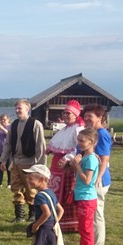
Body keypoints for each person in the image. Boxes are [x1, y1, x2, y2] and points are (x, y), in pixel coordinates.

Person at [0, 98, 46, 223]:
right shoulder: (13, 125)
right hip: (15, 162)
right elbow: (8, 144)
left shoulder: (36, 124)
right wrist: (3, 160)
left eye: (19, 108)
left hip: (30, 162)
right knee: (16, 188)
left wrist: (40, 166)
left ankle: (33, 214)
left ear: (27, 109)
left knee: (31, 189)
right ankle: (19, 216)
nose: (17, 110)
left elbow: (40, 146)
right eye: (16, 108)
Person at [22, 164, 65, 245]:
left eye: (31, 178)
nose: (28, 181)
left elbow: (46, 213)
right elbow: (61, 210)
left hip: (42, 231)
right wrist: (54, 222)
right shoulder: (50, 193)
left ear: (41, 179)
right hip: (51, 230)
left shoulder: (40, 196)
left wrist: (36, 225)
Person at [45, 100, 85, 233]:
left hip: (67, 167)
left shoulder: (78, 129)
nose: (65, 115)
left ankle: (69, 224)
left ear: (75, 115)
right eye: (64, 113)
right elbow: (59, 143)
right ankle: (54, 219)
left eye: (68, 113)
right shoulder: (65, 129)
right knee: (55, 191)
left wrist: (66, 158)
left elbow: (78, 149)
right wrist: (50, 149)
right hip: (56, 166)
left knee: (65, 193)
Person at [81, 104, 112, 245]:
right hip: (90, 178)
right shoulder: (91, 133)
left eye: (90, 116)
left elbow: (105, 158)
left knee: (96, 215)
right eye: (85, 116)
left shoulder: (102, 134)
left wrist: (98, 178)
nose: (86, 119)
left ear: (100, 117)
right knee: (91, 215)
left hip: (98, 180)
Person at [72, 128, 99, 245]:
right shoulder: (86, 157)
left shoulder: (90, 159)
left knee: (86, 233)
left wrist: (77, 166)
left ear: (91, 142)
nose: (79, 143)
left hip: (86, 199)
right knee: (84, 231)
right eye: (78, 140)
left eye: (82, 141)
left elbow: (87, 180)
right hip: (83, 197)